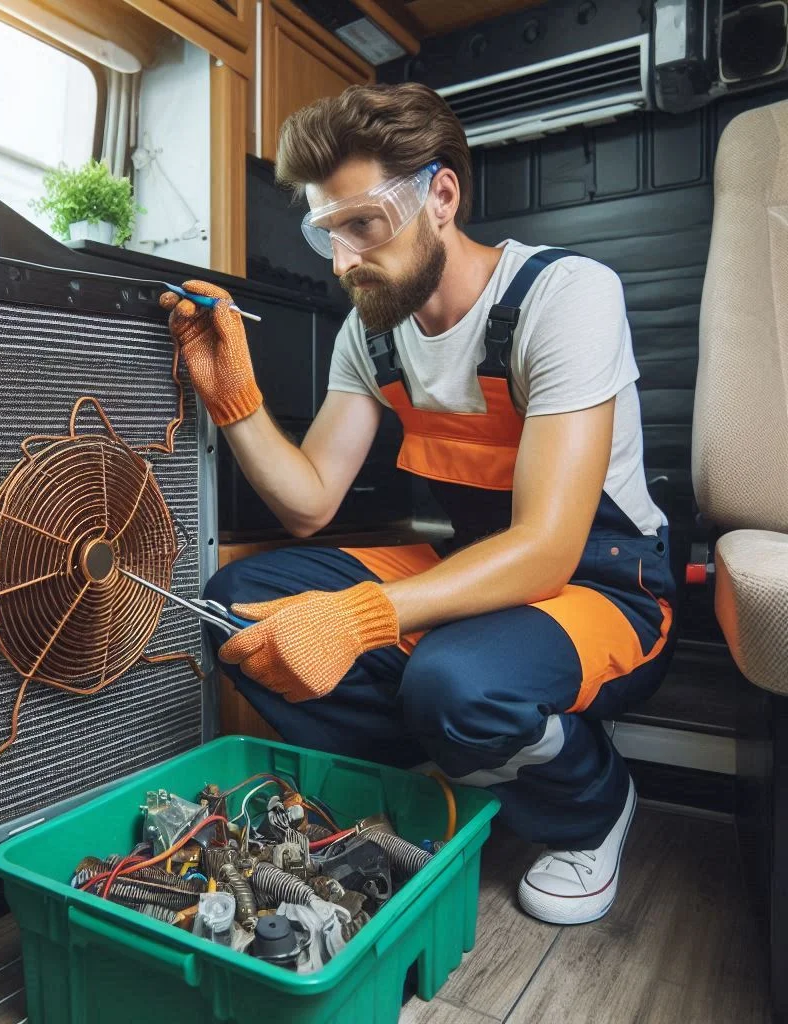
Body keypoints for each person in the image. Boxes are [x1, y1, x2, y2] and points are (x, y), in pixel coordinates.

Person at [160, 82, 675, 926]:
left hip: (605, 579)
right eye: (327, 231)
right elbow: (308, 504)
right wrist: (235, 402)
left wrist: (358, 622)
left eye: (363, 224)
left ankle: (592, 802)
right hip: (472, 563)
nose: (342, 260)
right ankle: (431, 778)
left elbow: (548, 547)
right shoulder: (373, 332)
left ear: (441, 196)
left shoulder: (564, 296)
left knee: (455, 687)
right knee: (237, 606)